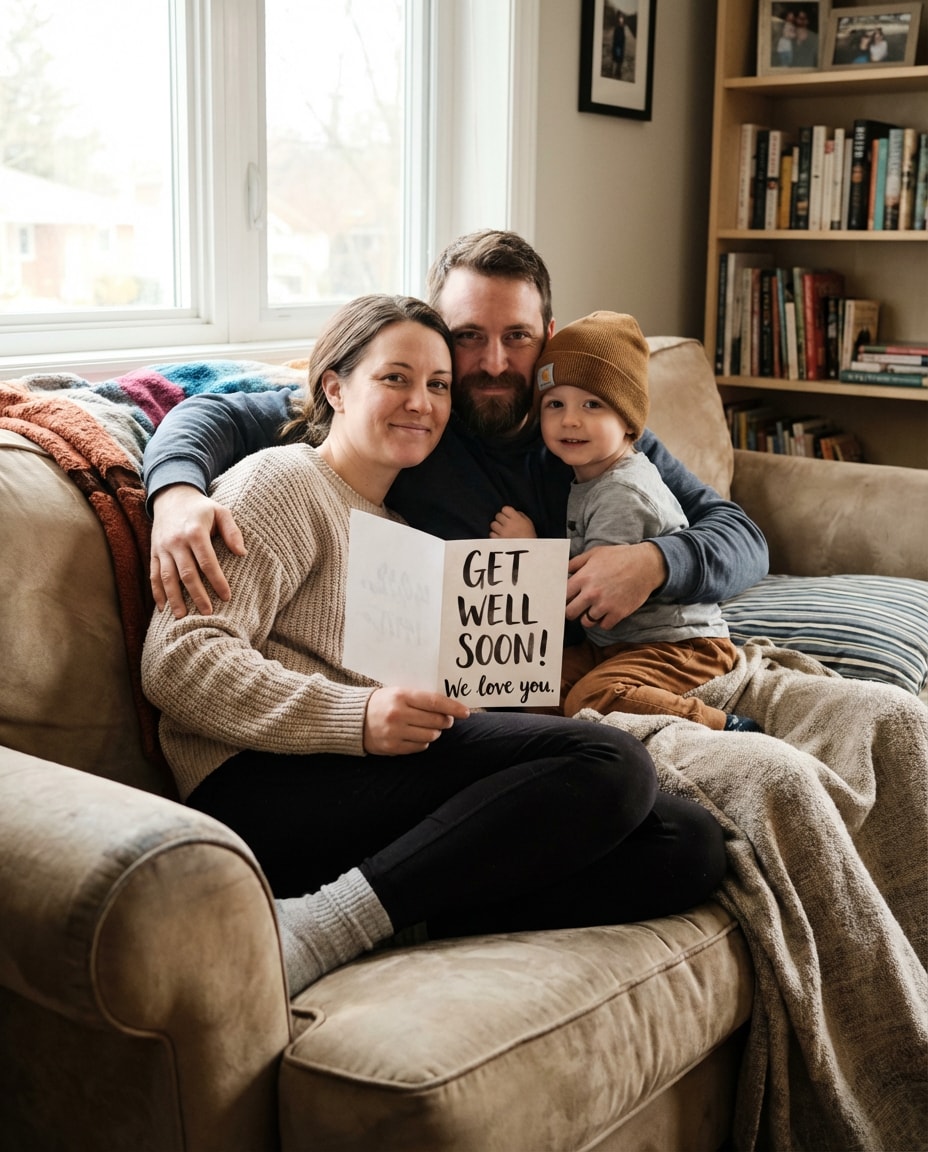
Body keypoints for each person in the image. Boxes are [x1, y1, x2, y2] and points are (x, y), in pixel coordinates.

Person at [140, 293, 727, 996]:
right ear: (336, 386)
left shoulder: (402, 531)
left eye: (438, 386)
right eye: (396, 378)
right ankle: (321, 927)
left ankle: (396, 909)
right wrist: (355, 718)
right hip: (260, 781)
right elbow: (177, 659)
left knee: (686, 846)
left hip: (372, 775)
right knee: (612, 760)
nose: (420, 402)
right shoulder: (282, 480)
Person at [144, 230, 770, 653]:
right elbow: (216, 415)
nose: (495, 362)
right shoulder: (407, 424)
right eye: (469, 335)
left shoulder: (592, 435)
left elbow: (743, 538)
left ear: (548, 334)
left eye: (517, 337)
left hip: (616, 665)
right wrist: (174, 494)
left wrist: (654, 562)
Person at [490, 310, 762, 733]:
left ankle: (724, 727)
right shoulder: (590, 468)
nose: (570, 420)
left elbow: (590, 596)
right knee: (527, 684)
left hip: (678, 645)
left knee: (591, 697)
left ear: (630, 422)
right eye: (555, 404)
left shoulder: (622, 491)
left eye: (593, 405)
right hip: (615, 644)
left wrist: (529, 547)